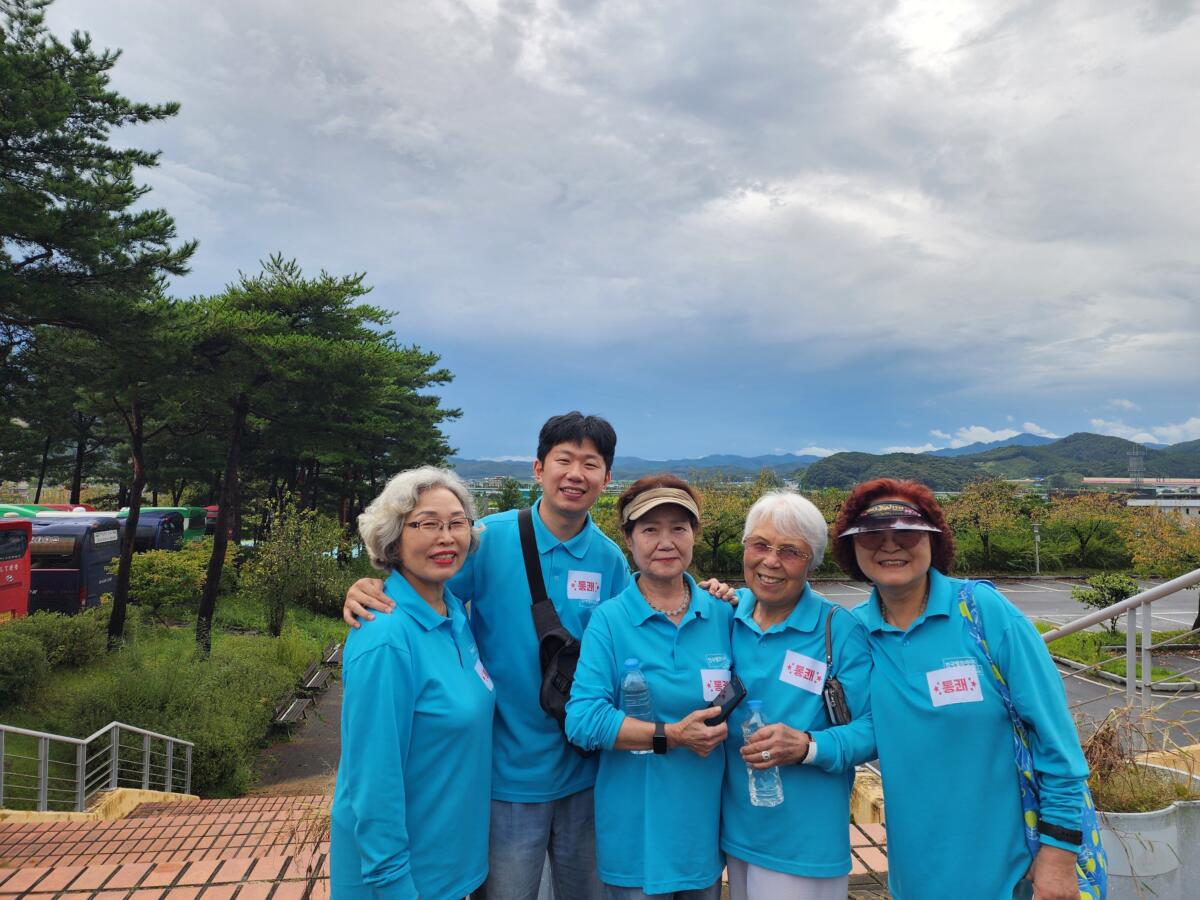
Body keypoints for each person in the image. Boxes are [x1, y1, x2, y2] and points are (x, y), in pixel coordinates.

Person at [343, 413, 631, 900]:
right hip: (503, 778)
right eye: (563, 460)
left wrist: (712, 596)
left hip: (585, 774)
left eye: (590, 464)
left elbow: (633, 638)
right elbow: (421, 589)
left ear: (606, 479)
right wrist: (370, 588)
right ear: (538, 469)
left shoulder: (610, 561)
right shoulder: (488, 539)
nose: (575, 474)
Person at [832, 479, 1090, 900]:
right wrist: (735, 603)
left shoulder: (982, 611)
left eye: (907, 532)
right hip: (916, 870)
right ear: (852, 548)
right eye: (872, 534)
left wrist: (1059, 853)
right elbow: (860, 729)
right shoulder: (854, 631)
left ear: (933, 540)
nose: (890, 545)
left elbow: (1056, 738)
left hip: (1012, 869)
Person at [330, 466, 495, 899]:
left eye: (456, 523)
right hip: (401, 881)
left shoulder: (453, 613)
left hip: (450, 866)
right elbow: (373, 780)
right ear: (393, 539)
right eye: (427, 524)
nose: (446, 537)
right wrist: (393, 885)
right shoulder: (386, 637)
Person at [565, 475, 732, 900]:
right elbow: (582, 720)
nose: (666, 542)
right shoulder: (610, 620)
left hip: (702, 832)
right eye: (650, 529)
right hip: (635, 834)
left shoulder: (723, 614)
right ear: (629, 539)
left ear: (694, 534)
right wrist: (671, 735)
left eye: (679, 528)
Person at [721, 491, 876, 900]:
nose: (771, 561)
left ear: (812, 562)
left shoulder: (838, 629)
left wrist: (809, 746)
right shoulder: (726, 615)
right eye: (760, 545)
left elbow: (873, 729)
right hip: (734, 831)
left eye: (790, 551)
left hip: (804, 842)